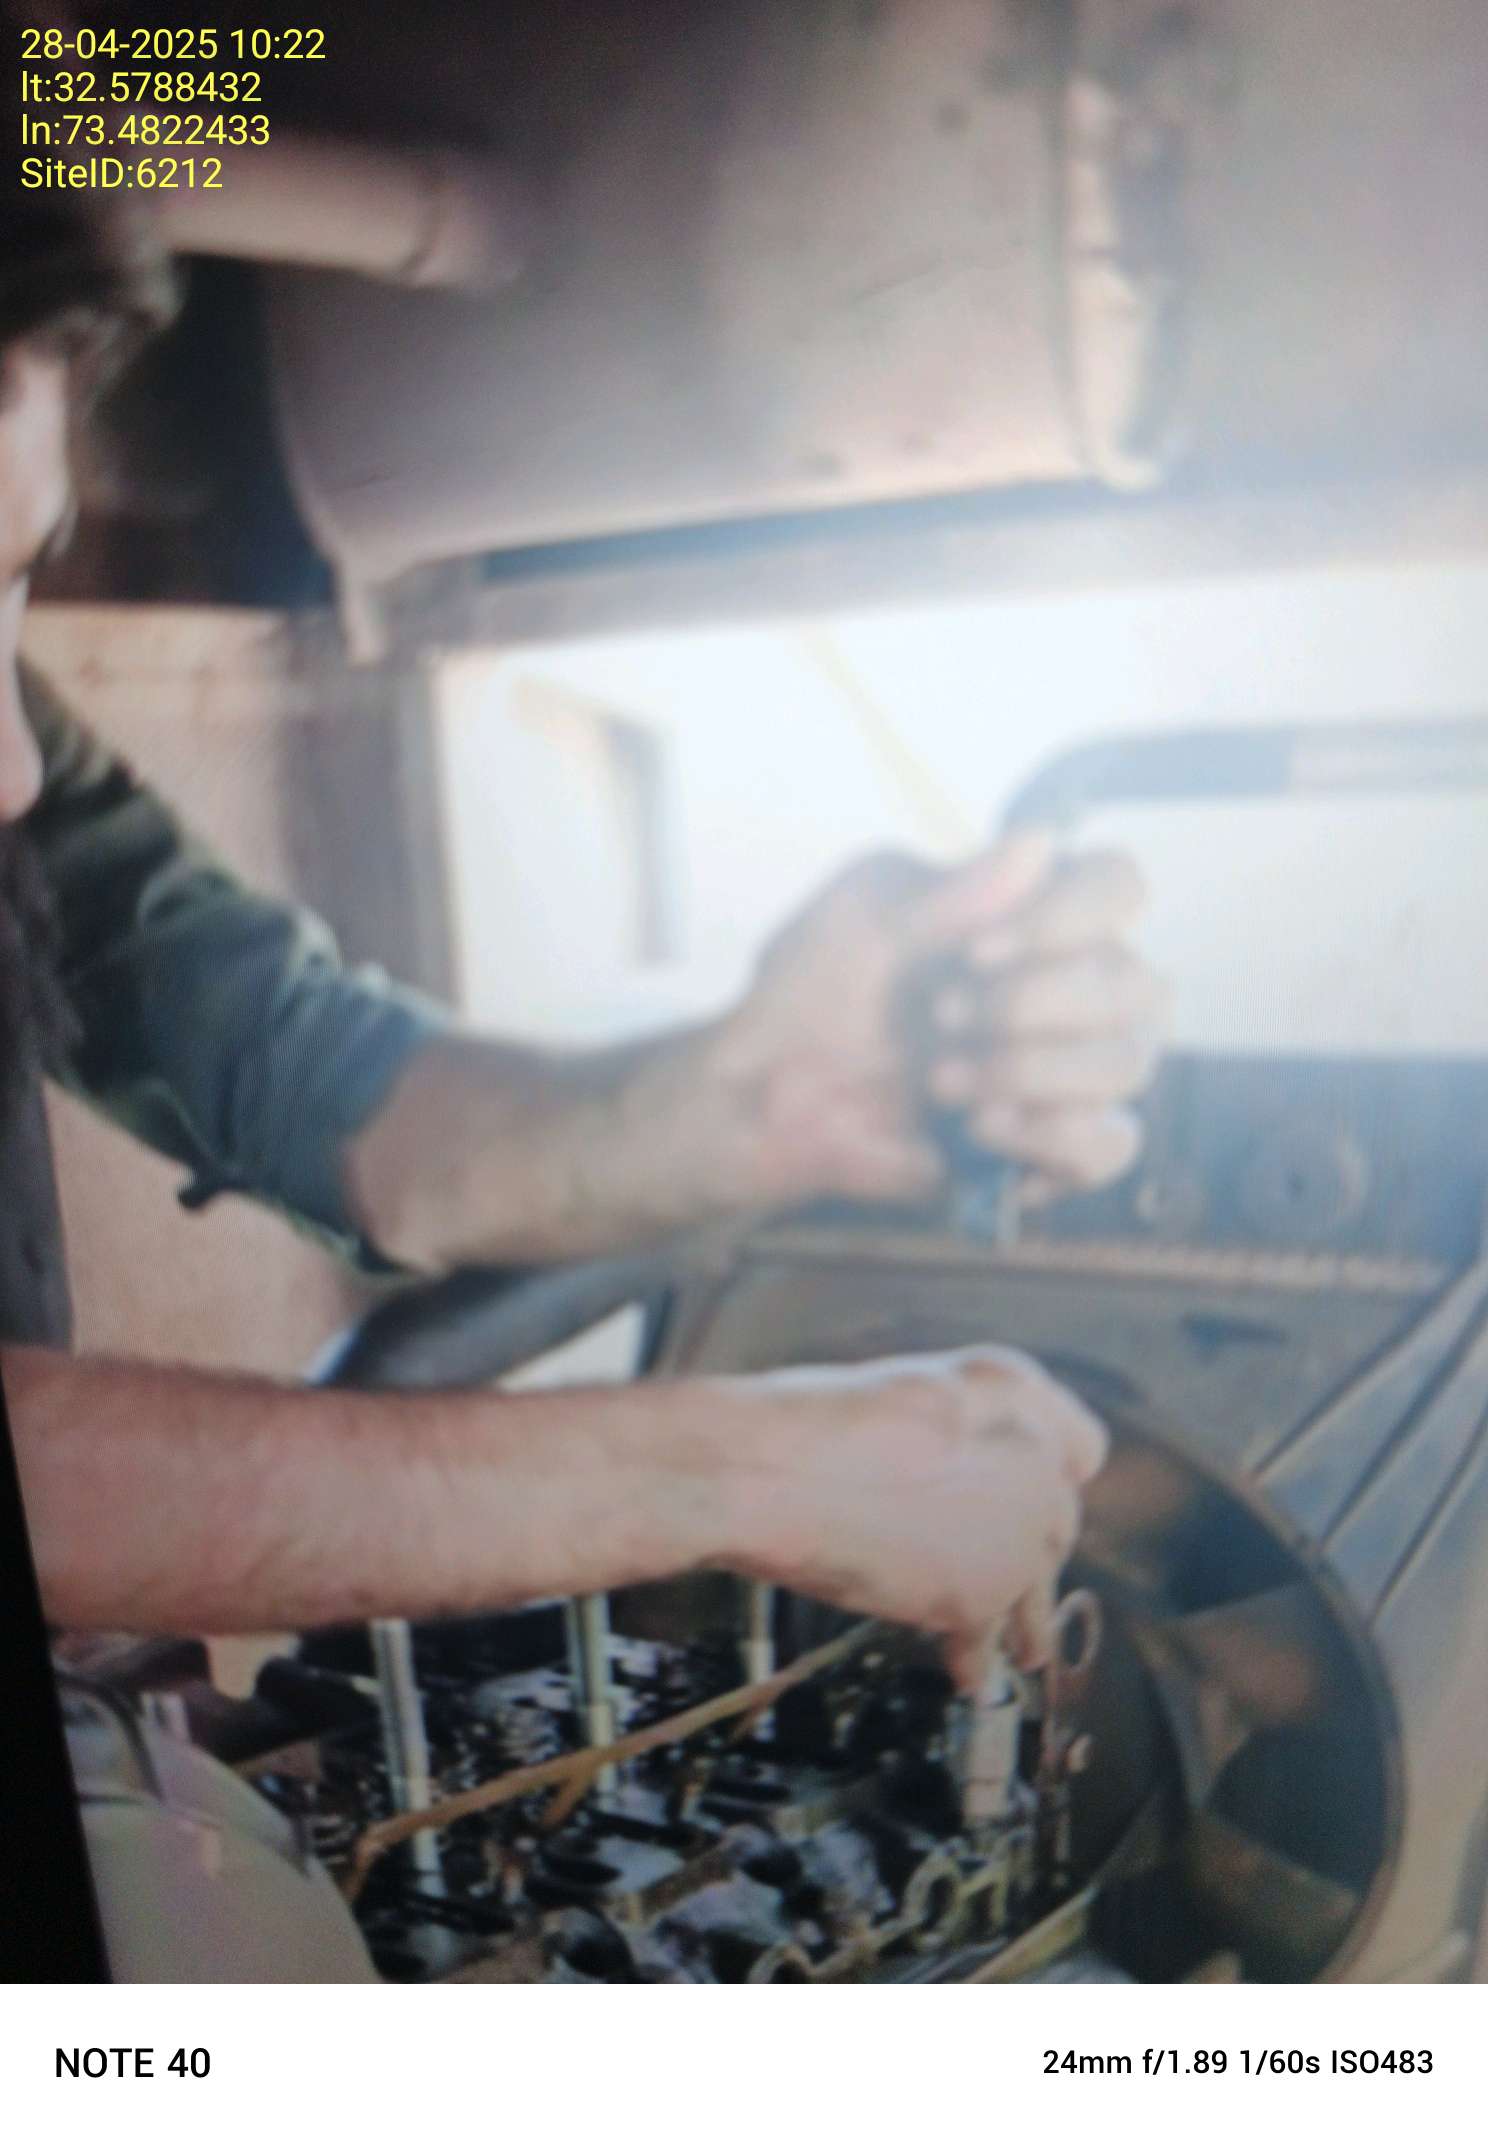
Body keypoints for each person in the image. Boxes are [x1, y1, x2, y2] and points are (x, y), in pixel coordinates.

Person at [0, 206, 1164, 1975]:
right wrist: (731, 1467)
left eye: (18, 579)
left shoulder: (27, 776)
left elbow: (343, 1096)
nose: (13, 766)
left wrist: (744, 1100)